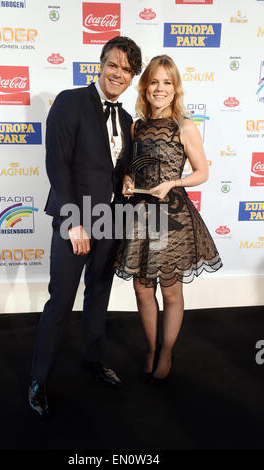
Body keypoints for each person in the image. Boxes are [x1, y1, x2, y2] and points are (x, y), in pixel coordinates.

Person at [29, 36, 142, 417]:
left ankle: (92, 360)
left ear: (132, 78)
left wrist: (126, 179)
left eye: (127, 71)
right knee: (61, 299)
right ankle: (39, 380)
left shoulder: (126, 120)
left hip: (110, 219)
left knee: (99, 293)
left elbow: (115, 169)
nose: (118, 74)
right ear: (100, 64)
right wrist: (74, 221)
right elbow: (57, 166)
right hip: (73, 219)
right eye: (114, 65)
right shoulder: (69, 101)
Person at [115, 55, 222, 384]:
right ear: (145, 87)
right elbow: (132, 167)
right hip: (139, 216)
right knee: (142, 289)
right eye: (154, 82)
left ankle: (167, 351)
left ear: (175, 89)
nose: (159, 88)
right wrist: (127, 181)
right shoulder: (135, 126)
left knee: (171, 291)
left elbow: (202, 172)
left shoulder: (184, 125)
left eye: (167, 82)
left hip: (172, 215)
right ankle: (151, 348)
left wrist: (174, 182)